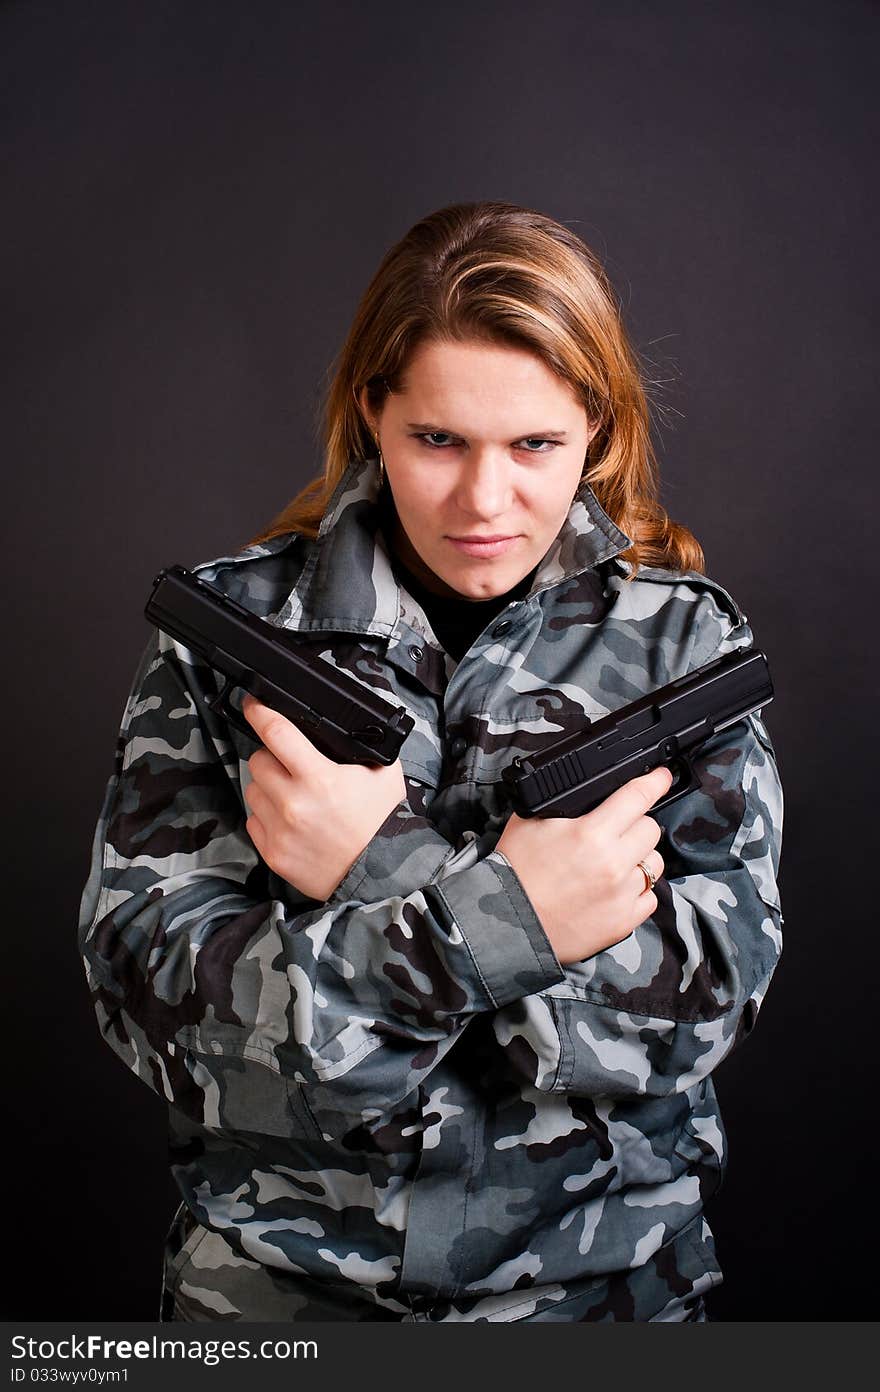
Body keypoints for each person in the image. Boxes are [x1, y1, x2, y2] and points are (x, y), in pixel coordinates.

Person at [77, 200, 784, 1323]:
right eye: (438, 440)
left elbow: (690, 1019)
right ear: (372, 412)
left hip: (605, 1297)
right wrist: (513, 920)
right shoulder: (232, 641)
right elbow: (160, 1008)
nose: (484, 501)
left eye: (535, 445)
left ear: (596, 427)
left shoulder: (683, 654)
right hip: (282, 1298)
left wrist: (378, 862)